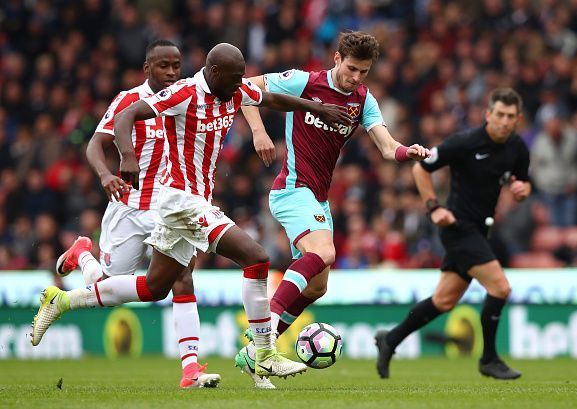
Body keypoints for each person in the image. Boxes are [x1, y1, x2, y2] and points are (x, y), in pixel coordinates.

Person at [31, 43, 351, 383]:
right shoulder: (184, 93)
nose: (242, 83)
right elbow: (127, 116)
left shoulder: (233, 89)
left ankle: (63, 301)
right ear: (214, 73)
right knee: (256, 258)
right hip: (181, 202)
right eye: (236, 77)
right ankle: (265, 354)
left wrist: (315, 108)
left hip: (187, 204)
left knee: (155, 288)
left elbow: (271, 99)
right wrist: (126, 156)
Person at [235, 31, 430, 388]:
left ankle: (254, 356)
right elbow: (244, 88)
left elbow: (387, 147)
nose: (356, 77)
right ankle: (263, 336)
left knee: (318, 286)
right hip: (292, 188)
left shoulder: (363, 100)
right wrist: (259, 132)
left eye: (364, 72)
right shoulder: (303, 81)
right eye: (352, 68)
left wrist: (408, 152)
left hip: (317, 197)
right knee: (323, 252)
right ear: (337, 58)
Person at [54, 40, 216, 388]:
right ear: (147, 69)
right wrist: (105, 174)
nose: (172, 72)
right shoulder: (128, 100)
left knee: (183, 276)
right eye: (163, 66)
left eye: (176, 65)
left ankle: (190, 368)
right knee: (103, 290)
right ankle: (83, 254)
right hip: (128, 207)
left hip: (169, 208)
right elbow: (95, 143)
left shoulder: (185, 97)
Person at [375, 88, 531, 380]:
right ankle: (489, 358)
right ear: (488, 115)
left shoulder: (518, 148)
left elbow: (523, 183)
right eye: (499, 114)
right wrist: (433, 207)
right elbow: (421, 169)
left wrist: (523, 191)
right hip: (458, 229)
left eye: (511, 117)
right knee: (500, 288)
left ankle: (390, 339)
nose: (504, 121)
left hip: (480, 231)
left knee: (444, 301)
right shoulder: (466, 142)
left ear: (518, 119)